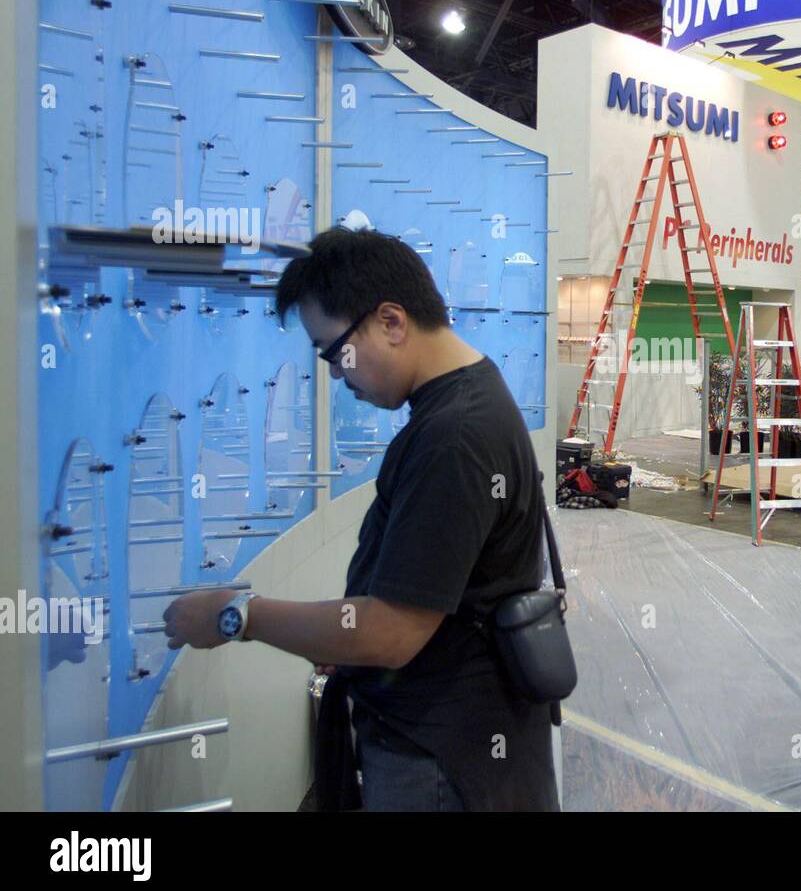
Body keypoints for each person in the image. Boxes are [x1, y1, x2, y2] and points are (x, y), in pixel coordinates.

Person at [161, 227, 560, 811]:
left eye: (334, 352)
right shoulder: (464, 399)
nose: (335, 375)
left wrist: (236, 616)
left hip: (443, 762)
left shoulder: (454, 436)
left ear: (392, 322)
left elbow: (390, 634)